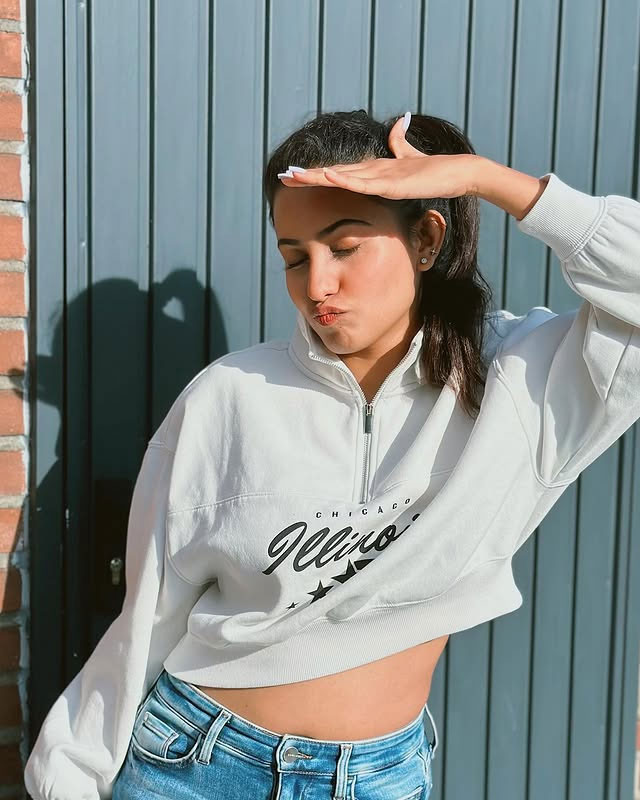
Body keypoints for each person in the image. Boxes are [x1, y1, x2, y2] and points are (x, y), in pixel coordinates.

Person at [23, 109, 640, 800]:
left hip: (379, 777)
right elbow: (150, 615)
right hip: (192, 761)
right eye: (295, 257)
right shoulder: (229, 397)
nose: (316, 285)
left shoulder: (522, 383)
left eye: (344, 247)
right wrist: (71, 775)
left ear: (427, 239)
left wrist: (485, 180)